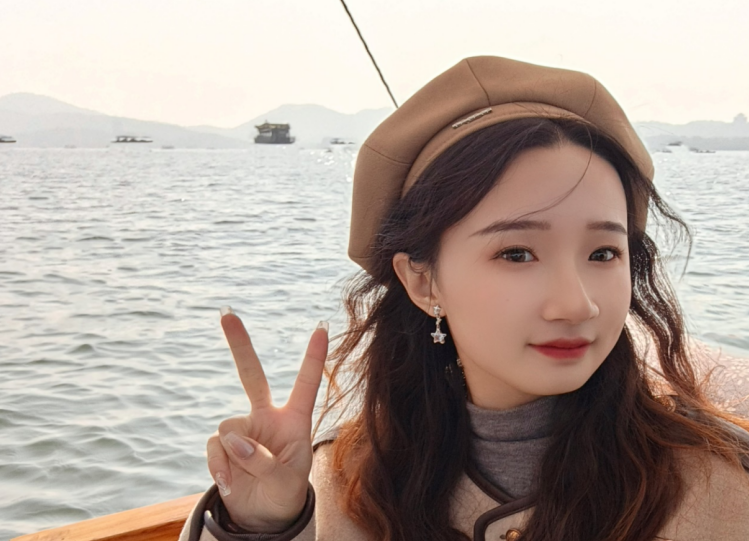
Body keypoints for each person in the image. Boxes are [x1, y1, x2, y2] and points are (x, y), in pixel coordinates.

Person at [179, 57, 749, 541]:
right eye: (517, 254)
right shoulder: (339, 487)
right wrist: (263, 526)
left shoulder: (723, 488)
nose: (577, 305)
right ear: (423, 282)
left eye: (603, 253)